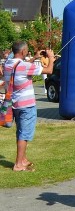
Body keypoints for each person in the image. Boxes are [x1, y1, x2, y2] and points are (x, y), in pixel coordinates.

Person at [4, 42, 55, 171]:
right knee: (24, 134)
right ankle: (18, 164)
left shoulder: (8, 64)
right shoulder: (24, 66)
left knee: (20, 132)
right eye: (26, 50)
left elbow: (20, 67)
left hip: (15, 104)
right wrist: (51, 58)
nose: (27, 52)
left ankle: (23, 159)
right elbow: (49, 70)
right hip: (26, 105)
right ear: (23, 52)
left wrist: (35, 58)